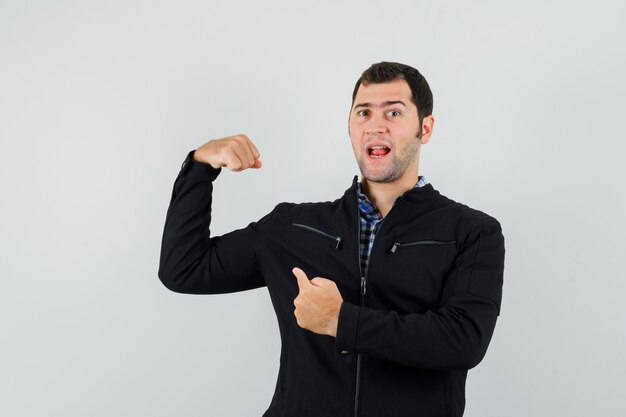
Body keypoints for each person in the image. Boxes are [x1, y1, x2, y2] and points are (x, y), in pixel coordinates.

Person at [158, 61, 505, 417]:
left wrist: (342, 321)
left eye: (394, 112)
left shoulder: (471, 232)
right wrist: (200, 167)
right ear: (351, 128)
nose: (376, 125)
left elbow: (464, 341)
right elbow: (183, 269)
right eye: (363, 113)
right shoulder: (292, 227)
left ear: (425, 128)